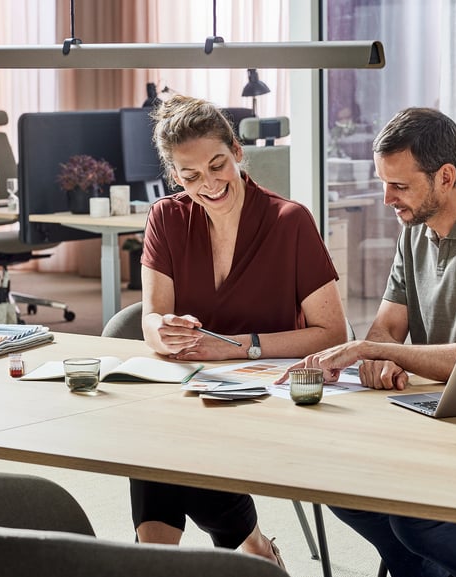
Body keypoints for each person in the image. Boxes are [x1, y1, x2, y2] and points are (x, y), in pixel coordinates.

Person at [278, 107, 456, 577]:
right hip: (430, 411)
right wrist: (379, 353)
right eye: (383, 183)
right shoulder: (415, 231)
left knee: (415, 522)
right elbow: (386, 328)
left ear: (446, 177)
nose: (386, 199)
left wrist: (374, 352)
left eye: (400, 186)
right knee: (336, 483)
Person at [133, 94, 347, 568]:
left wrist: (236, 349)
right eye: (190, 177)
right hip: (193, 394)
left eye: (217, 165)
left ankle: (241, 550)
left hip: (272, 396)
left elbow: (332, 333)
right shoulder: (166, 219)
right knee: (159, 434)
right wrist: (161, 330)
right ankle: (216, 552)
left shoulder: (289, 221)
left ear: (238, 152)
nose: (208, 184)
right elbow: (151, 319)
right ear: (175, 177)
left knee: (173, 442)